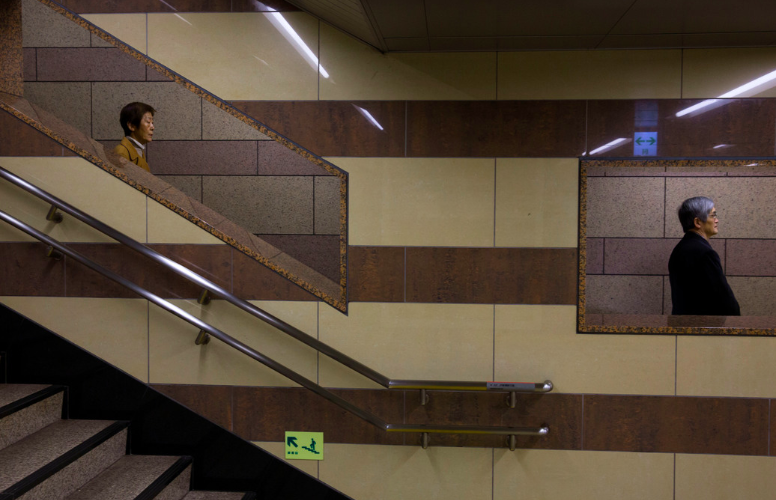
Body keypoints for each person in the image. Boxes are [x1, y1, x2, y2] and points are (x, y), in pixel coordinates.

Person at [668, 196, 740, 316]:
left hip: (682, 323)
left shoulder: (679, 249)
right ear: (697, 222)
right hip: (705, 324)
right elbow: (724, 297)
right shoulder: (705, 253)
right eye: (713, 215)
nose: (717, 220)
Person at [114, 102, 155, 172]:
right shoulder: (121, 153)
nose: (152, 127)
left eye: (152, 123)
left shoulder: (137, 150)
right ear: (132, 126)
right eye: (148, 122)